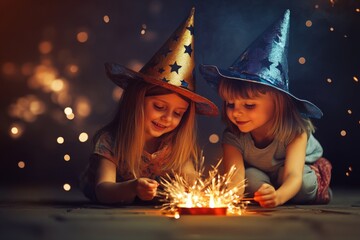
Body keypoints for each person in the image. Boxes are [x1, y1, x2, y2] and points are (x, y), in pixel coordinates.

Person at [80, 7, 218, 204]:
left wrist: (201, 189)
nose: (168, 118)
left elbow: (190, 177)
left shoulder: (173, 144)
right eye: (160, 107)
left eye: (178, 113)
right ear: (137, 101)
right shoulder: (110, 141)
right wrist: (133, 187)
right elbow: (103, 190)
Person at [199, 10, 332, 208]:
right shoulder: (233, 137)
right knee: (250, 180)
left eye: (249, 105)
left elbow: (293, 175)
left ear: (278, 104)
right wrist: (225, 199)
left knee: (303, 186)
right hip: (261, 172)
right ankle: (270, 189)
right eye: (230, 104)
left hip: (300, 169)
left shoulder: (295, 130)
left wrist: (277, 198)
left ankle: (317, 189)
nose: (236, 112)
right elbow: (235, 178)